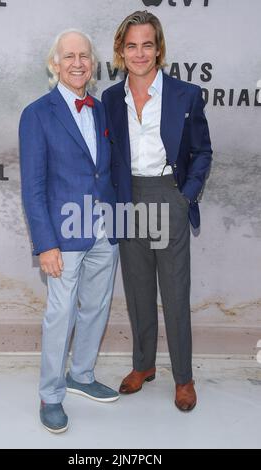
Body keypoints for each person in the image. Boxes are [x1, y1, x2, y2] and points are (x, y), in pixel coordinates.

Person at [102, 11, 212, 411]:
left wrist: (187, 196)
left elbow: (202, 151)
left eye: (147, 44)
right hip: (129, 197)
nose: (139, 52)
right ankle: (143, 366)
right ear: (120, 51)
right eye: (131, 45)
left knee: (175, 290)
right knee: (138, 290)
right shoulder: (111, 99)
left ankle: (183, 377)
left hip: (169, 195)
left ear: (159, 49)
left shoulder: (186, 94)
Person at [19, 29, 119, 434]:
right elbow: (34, 186)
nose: (78, 62)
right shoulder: (37, 114)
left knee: (95, 306)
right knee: (60, 314)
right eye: (69, 56)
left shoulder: (100, 109)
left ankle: (81, 374)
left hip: (104, 228)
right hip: (63, 234)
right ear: (54, 64)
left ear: (93, 64)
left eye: (85, 56)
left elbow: (104, 170)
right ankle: (51, 394)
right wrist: (45, 244)